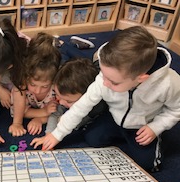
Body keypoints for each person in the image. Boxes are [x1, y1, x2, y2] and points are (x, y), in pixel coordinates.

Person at [40, 26, 180, 172]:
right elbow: (81, 106)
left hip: (143, 125)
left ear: (141, 78)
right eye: (103, 74)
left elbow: (177, 108)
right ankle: (123, 136)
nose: (104, 83)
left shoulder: (169, 83)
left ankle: (156, 138)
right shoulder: (105, 78)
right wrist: (57, 135)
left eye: (113, 82)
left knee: (148, 165)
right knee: (93, 138)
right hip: (114, 116)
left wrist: (156, 127)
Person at [30, 58, 107, 148]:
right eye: (58, 95)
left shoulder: (97, 104)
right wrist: (49, 135)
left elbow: (74, 122)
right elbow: (55, 114)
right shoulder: (66, 96)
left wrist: (57, 131)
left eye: (68, 101)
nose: (61, 102)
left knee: (95, 138)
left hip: (104, 106)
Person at [18, 32, 61, 135]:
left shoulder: (58, 87)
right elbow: (19, 111)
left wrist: (40, 120)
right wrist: (44, 112)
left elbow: (61, 113)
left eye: (45, 86)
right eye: (33, 84)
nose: (37, 91)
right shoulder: (22, 85)